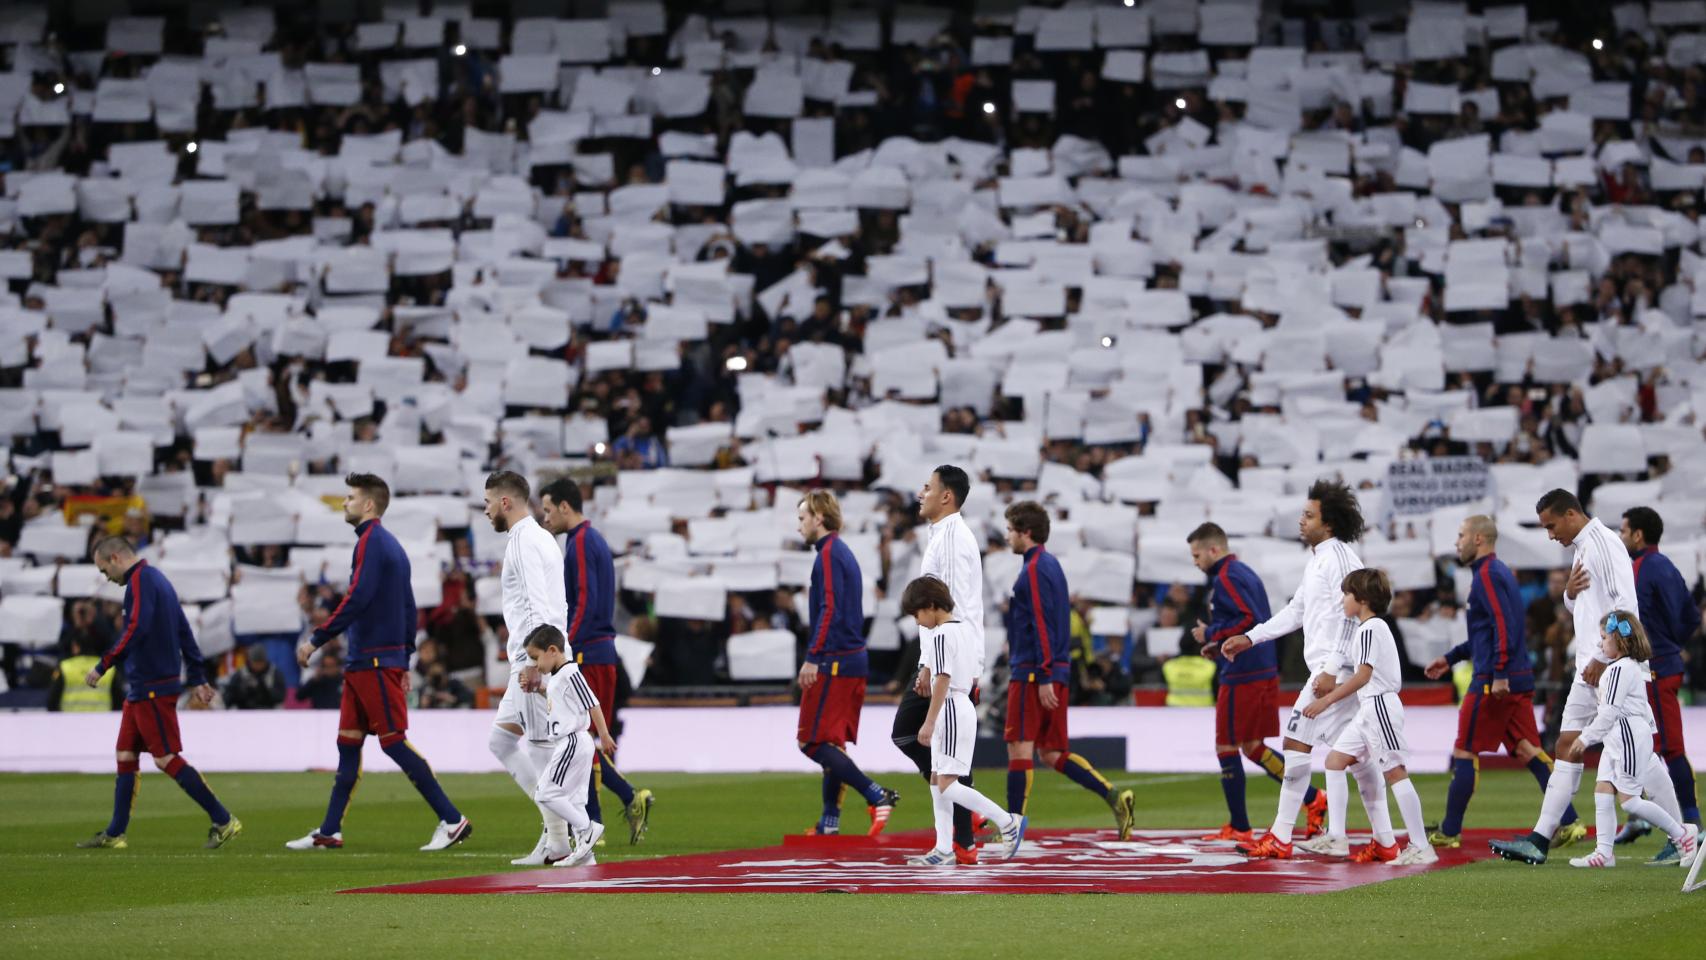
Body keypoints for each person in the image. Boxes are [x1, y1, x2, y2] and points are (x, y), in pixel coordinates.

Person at [1490, 489, 1678, 864]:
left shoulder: (1604, 545)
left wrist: (1598, 657)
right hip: (1591, 667)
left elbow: (1624, 606)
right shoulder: (1582, 547)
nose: (1549, 534)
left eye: (1551, 525)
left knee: (1640, 753)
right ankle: (1540, 839)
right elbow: (1591, 604)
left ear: (1571, 514)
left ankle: (1683, 831)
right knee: (1566, 744)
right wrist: (1569, 597)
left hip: (1610, 667)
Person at [287, 474, 470, 852]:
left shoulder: (371, 544)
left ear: (368, 504)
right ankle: (330, 830)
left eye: (350, 497)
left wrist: (317, 639)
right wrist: (404, 659)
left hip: (373, 661)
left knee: (393, 742)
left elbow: (357, 599)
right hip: (366, 662)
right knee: (347, 744)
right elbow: (407, 605)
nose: (345, 502)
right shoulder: (389, 546)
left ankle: (452, 819)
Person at [1218, 479, 1377, 860]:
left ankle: (1281, 836)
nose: (1301, 521)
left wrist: (1332, 667)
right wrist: (1251, 637)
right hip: (1334, 669)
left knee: (1295, 743)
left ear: (1330, 522)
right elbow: (1297, 612)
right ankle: (1382, 839)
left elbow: (1353, 615)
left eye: (1309, 515)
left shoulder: (1339, 557)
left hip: (1333, 671)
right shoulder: (1320, 559)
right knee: (1359, 757)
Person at [75, 536, 240, 851]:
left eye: (103, 569)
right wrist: (198, 677)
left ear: (114, 558)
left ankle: (223, 820)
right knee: (125, 755)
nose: (105, 577)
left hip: (153, 686)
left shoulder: (141, 582)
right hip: (142, 688)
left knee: (165, 759)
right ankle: (115, 833)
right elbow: (183, 631)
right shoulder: (158, 581)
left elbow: (135, 627)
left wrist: (104, 664)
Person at [1423, 516, 1578, 847]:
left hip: (1495, 680)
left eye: (1461, 535)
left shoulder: (1488, 576)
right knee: (1527, 749)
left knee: (1465, 750)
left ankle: (1449, 831)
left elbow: (1503, 626)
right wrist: (1450, 658)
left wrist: (1500, 674)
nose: (1457, 542)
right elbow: (1491, 633)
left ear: (1479, 539)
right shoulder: (1496, 573)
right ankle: (1569, 821)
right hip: (1513, 676)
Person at [1002, 501, 1134, 837]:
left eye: (1010, 531)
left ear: (1025, 532)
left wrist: (1043, 673)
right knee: (1052, 752)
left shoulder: (1032, 570)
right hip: (1054, 669)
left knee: (1020, 746)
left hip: (1034, 672)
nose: (1007, 537)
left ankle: (1012, 826)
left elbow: (1042, 624)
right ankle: (1115, 795)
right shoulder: (1051, 565)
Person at [1187, 522, 1322, 844]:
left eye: (1196, 555)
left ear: (1213, 549)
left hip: (1244, 674)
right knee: (1252, 747)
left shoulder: (1226, 578)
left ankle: (1240, 825)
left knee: (1227, 746)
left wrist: (1210, 633)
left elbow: (1248, 619)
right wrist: (1218, 644)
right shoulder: (1240, 573)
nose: (1195, 562)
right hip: (1257, 668)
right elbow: (1248, 620)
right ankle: (1313, 798)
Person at [539, 476, 654, 844]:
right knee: (581, 739)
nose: (545, 519)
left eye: (547, 510)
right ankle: (605, 812)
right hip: (601, 648)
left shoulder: (581, 542)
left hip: (589, 649)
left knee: (580, 739)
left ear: (564, 506)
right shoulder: (593, 540)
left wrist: (566, 646)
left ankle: (598, 819)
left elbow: (584, 599)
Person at [1302, 570, 1437, 865]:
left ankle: (1421, 845)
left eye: (1346, 594)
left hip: (1379, 707)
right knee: (1335, 761)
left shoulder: (1369, 628)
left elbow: (1364, 675)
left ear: (1361, 599)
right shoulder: (1374, 627)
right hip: (1369, 708)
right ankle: (1337, 837)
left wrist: (1326, 699)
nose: (1342, 599)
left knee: (1395, 772)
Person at [891, 464, 983, 862]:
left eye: (928, 487)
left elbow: (947, 605)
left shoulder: (949, 538)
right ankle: (963, 835)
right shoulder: (948, 535)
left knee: (906, 733)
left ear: (947, 496)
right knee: (928, 742)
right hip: (950, 653)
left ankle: (970, 811)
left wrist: (931, 663)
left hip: (946, 656)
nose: (920, 493)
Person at [793, 490, 898, 836]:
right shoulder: (841, 552)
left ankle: (874, 793)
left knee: (811, 742)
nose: (799, 526)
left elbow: (829, 609)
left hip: (834, 661)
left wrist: (812, 657)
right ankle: (829, 822)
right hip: (852, 660)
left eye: (802, 518)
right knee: (832, 745)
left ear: (819, 518)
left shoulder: (827, 555)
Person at [900, 575, 1025, 865]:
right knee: (936, 777)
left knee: (947, 783)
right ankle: (943, 848)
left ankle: (1007, 822)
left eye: (918, 613)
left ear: (931, 606)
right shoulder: (963, 629)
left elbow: (942, 678)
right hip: (957, 704)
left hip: (952, 707)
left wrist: (929, 721)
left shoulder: (942, 634)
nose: (918, 621)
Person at [1563, 611, 1699, 868]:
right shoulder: (1629, 668)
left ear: (1619, 640)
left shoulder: (1618, 670)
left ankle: (1682, 834)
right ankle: (1604, 853)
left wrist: (1585, 738)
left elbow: (1609, 712)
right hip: (1621, 736)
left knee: (1630, 802)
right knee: (1602, 788)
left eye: (1604, 638)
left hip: (1625, 735)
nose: (1601, 644)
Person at [485, 470, 572, 866]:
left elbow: (538, 604)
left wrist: (538, 664)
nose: (486, 511)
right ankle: (556, 831)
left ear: (506, 502)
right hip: (537, 655)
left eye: (488, 503)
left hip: (532, 661)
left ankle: (562, 837)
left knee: (540, 749)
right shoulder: (543, 537)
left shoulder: (521, 540)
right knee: (501, 742)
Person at [1614, 506, 1703, 860]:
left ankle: (1689, 827)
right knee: (1641, 748)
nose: (1621, 537)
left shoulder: (1648, 568)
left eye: (1624, 531)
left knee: (1667, 747)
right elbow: (1687, 616)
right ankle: (1644, 818)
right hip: (1651, 666)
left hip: (1655, 669)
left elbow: (1676, 617)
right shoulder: (1655, 566)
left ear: (1638, 534)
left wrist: (1664, 650)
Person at [524, 625, 619, 867]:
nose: (535, 665)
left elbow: (592, 703)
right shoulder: (560, 677)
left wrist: (605, 735)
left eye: (536, 658)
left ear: (552, 650)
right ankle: (586, 858)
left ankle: (587, 829)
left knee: (545, 792)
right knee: (576, 800)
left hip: (573, 741)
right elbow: (562, 698)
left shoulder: (570, 673)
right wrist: (538, 688)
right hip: (574, 741)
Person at [48, 635, 122, 711]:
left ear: (76, 647)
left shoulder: (64, 667)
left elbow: (52, 701)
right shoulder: (108, 669)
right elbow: (119, 702)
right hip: (102, 721)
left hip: (70, 721)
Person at [222, 643, 287, 709]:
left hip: (269, 711)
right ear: (250, 661)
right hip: (244, 712)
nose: (258, 666)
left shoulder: (274, 673)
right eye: (255, 663)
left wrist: (267, 688)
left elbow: (281, 697)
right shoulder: (240, 675)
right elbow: (228, 698)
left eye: (260, 663)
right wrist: (241, 691)